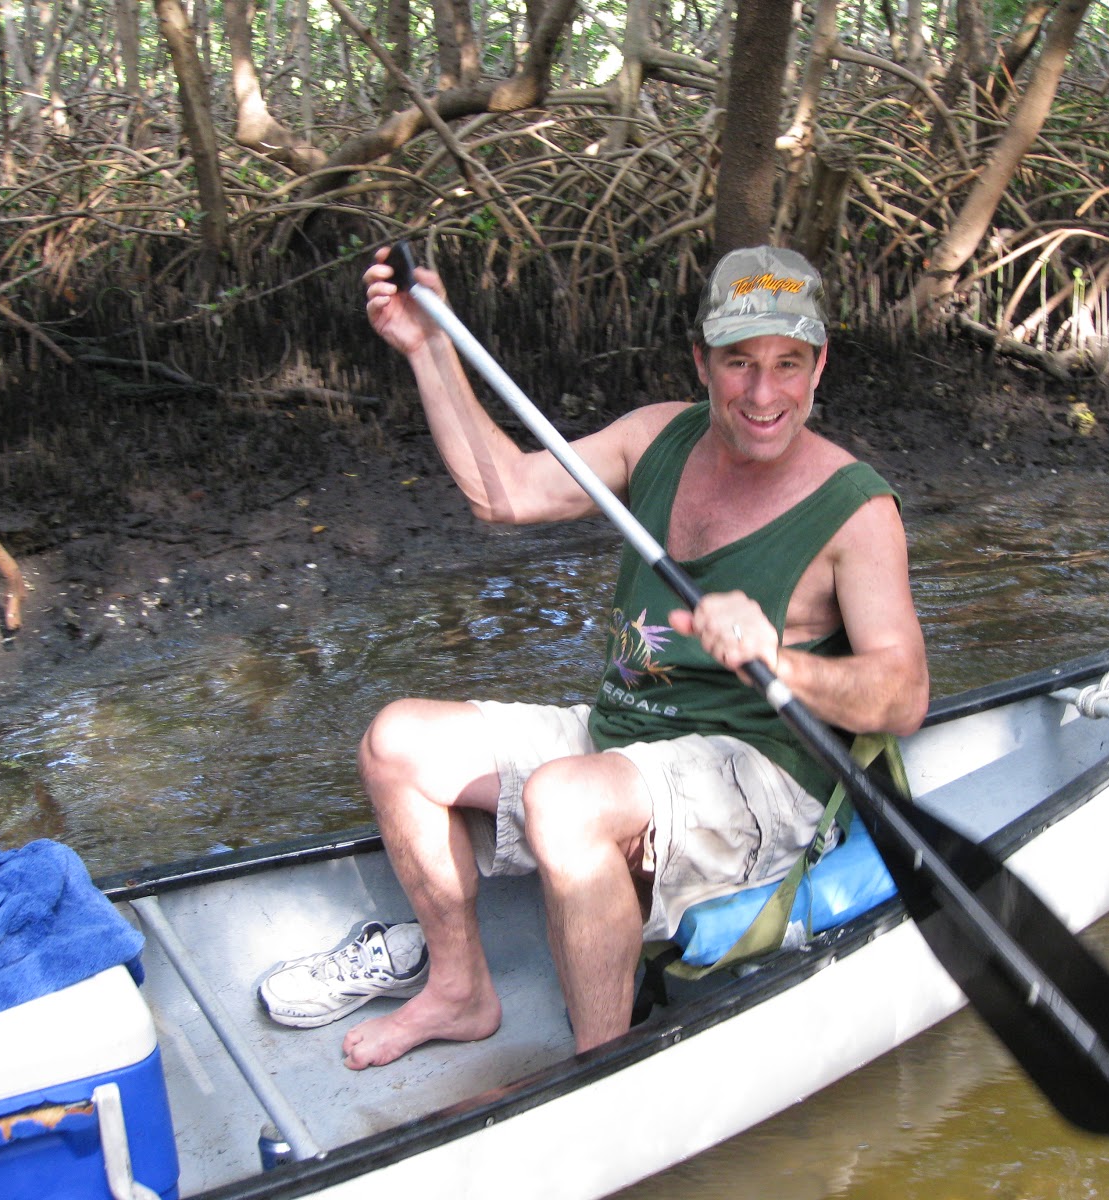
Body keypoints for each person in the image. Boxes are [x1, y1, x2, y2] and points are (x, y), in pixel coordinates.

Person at [257, 244, 929, 1068]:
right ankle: (460, 990)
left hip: (764, 773)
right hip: (624, 734)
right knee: (396, 742)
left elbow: (902, 696)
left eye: (788, 364)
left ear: (818, 366)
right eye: (739, 363)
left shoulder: (855, 509)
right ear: (701, 361)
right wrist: (428, 350)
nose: (763, 393)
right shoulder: (656, 438)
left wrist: (781, 661)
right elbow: (502, 490)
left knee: (564, 803)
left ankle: (600, 1071)